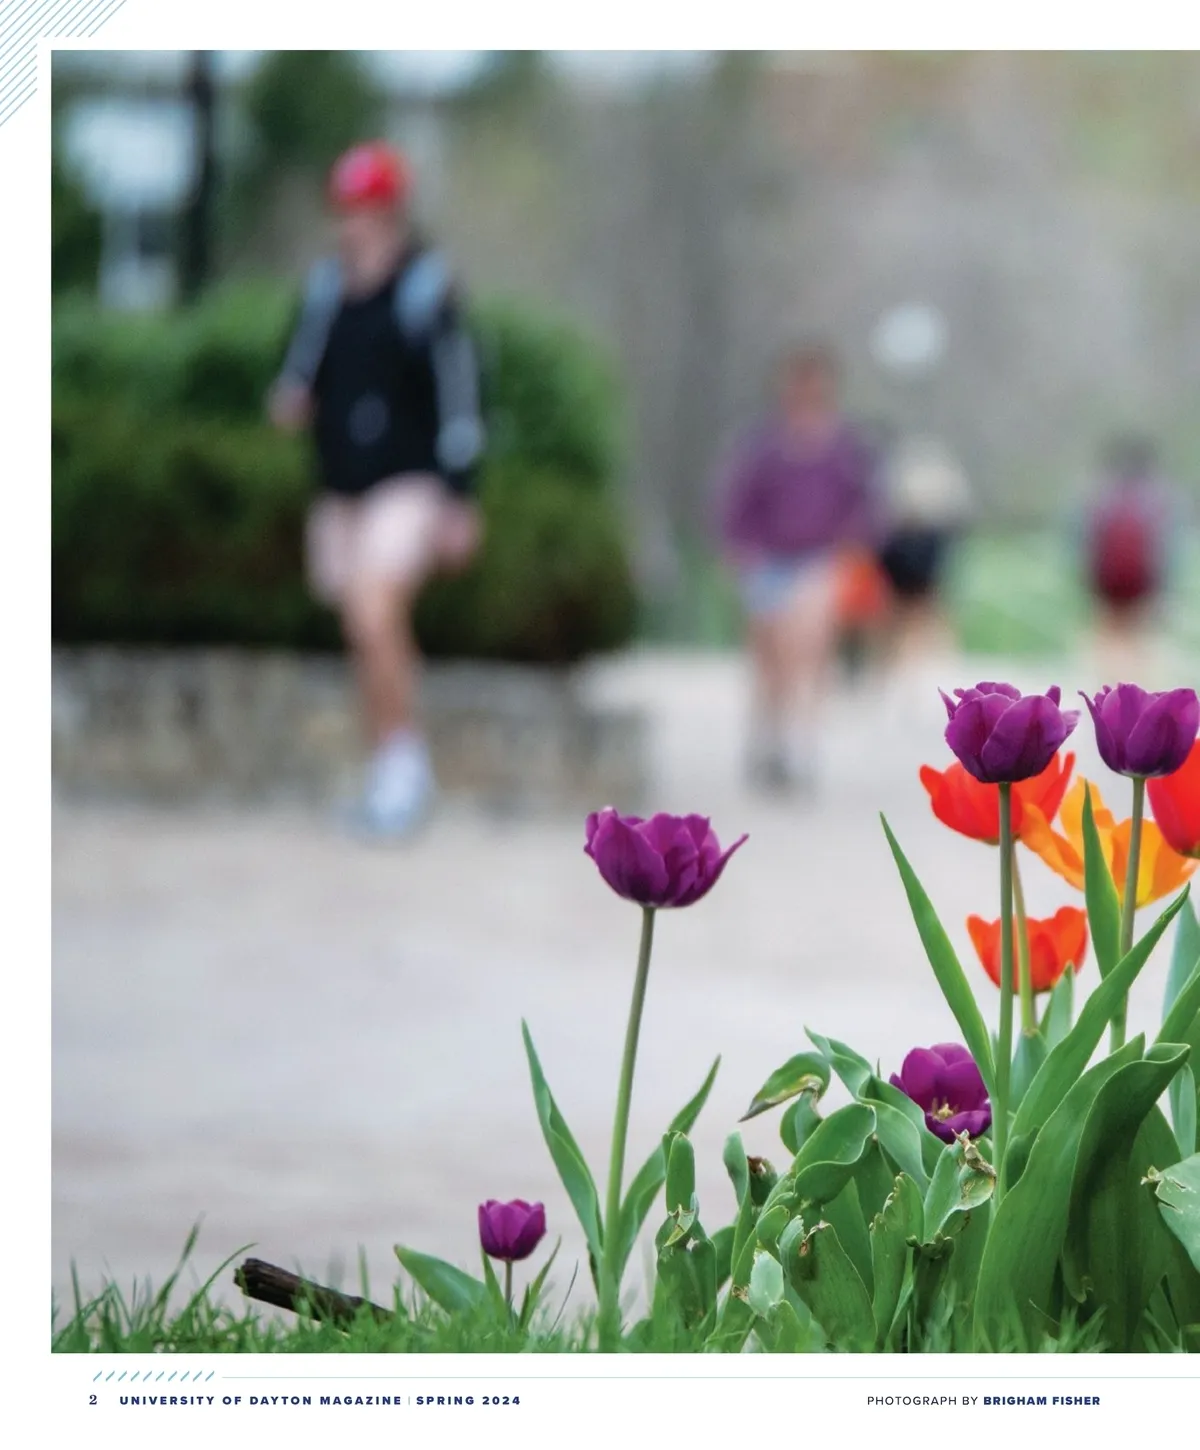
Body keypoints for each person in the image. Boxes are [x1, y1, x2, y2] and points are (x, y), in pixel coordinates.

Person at [267, 141, 486, 838]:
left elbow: (460, 396)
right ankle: (390, 766)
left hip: (409, 483)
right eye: (346, 208)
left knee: (372, 611)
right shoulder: (326, 291)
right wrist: (293, 399)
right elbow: (301, 372)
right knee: (366, 632)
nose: (351, 221)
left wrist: (460, 496)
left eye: (364, 208)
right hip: (342, 488)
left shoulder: (427, 291)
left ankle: (402, 769)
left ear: (391, 213)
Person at [717, 343, 880, 793]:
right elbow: (736, 501)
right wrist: (740, 549)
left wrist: (852, 549)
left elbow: (863, 506)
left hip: (819, 561)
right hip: (767, 561)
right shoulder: (761, 445)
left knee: (808, 649)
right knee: (769, 658)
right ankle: (768, 739)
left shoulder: (845, 447)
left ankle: (800, 745)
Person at [874, 433, 973, 674]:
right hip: (908, 558)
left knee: (923, 612)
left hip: (923, 556)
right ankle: (906, 663)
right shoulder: (906, 476)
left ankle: (919, 662)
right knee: (909, 614)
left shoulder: (914, 476)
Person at [1081, 435, 1176, 681]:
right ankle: (1138, 690)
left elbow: (1083, 540)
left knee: (1109, 639)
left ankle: (1108, 689)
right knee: (1140, 640)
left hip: (1107, 586)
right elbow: (1168, 549)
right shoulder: (1158, 498)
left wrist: (1087, 582)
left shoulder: (1100, 496)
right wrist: (1165, 589)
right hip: (1143, 585)